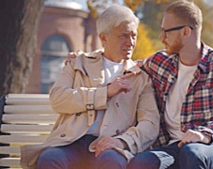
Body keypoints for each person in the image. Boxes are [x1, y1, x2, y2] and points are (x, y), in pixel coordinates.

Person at [20, 4, 160, 169]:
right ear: (104, 37)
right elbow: (58, 98)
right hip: (71, 142)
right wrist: (105, 93)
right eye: (123, 36)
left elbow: (150, 123)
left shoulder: (141, 77)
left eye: (133, 36)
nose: (130, 42)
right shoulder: (78, 62)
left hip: (111, 146)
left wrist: (122, 141)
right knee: (49, 159)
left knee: (112, 162)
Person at [128, 1, 213, 169]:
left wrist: (204, 135)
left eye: (166, 32)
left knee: (192, 153)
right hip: (174, 146)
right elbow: (130, 65)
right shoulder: (160, 63)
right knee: (141, 163)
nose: (162, 38)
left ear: (185, 32)